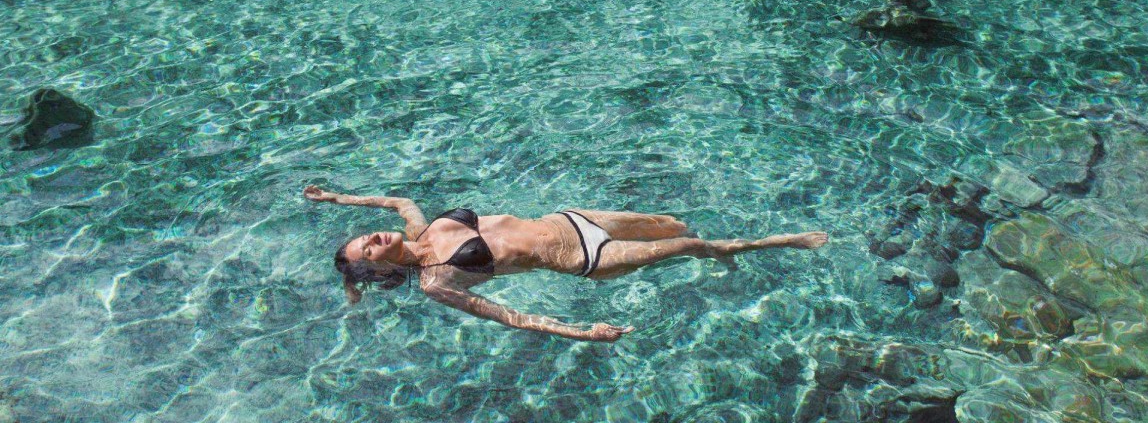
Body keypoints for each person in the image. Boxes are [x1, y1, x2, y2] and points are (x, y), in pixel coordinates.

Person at [304, 185, 829, 342]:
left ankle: (723, 256)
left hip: (571, 218)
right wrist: (582, 333)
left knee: (673, 224)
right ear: (378, 269)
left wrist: (335, 199)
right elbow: (506, 315)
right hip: (584, 256)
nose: (372, 238)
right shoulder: (436, 283)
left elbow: (393, 202)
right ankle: (782, 242)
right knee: (692, 247)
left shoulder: (418, 227)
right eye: (367, 250)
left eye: (364, 238)